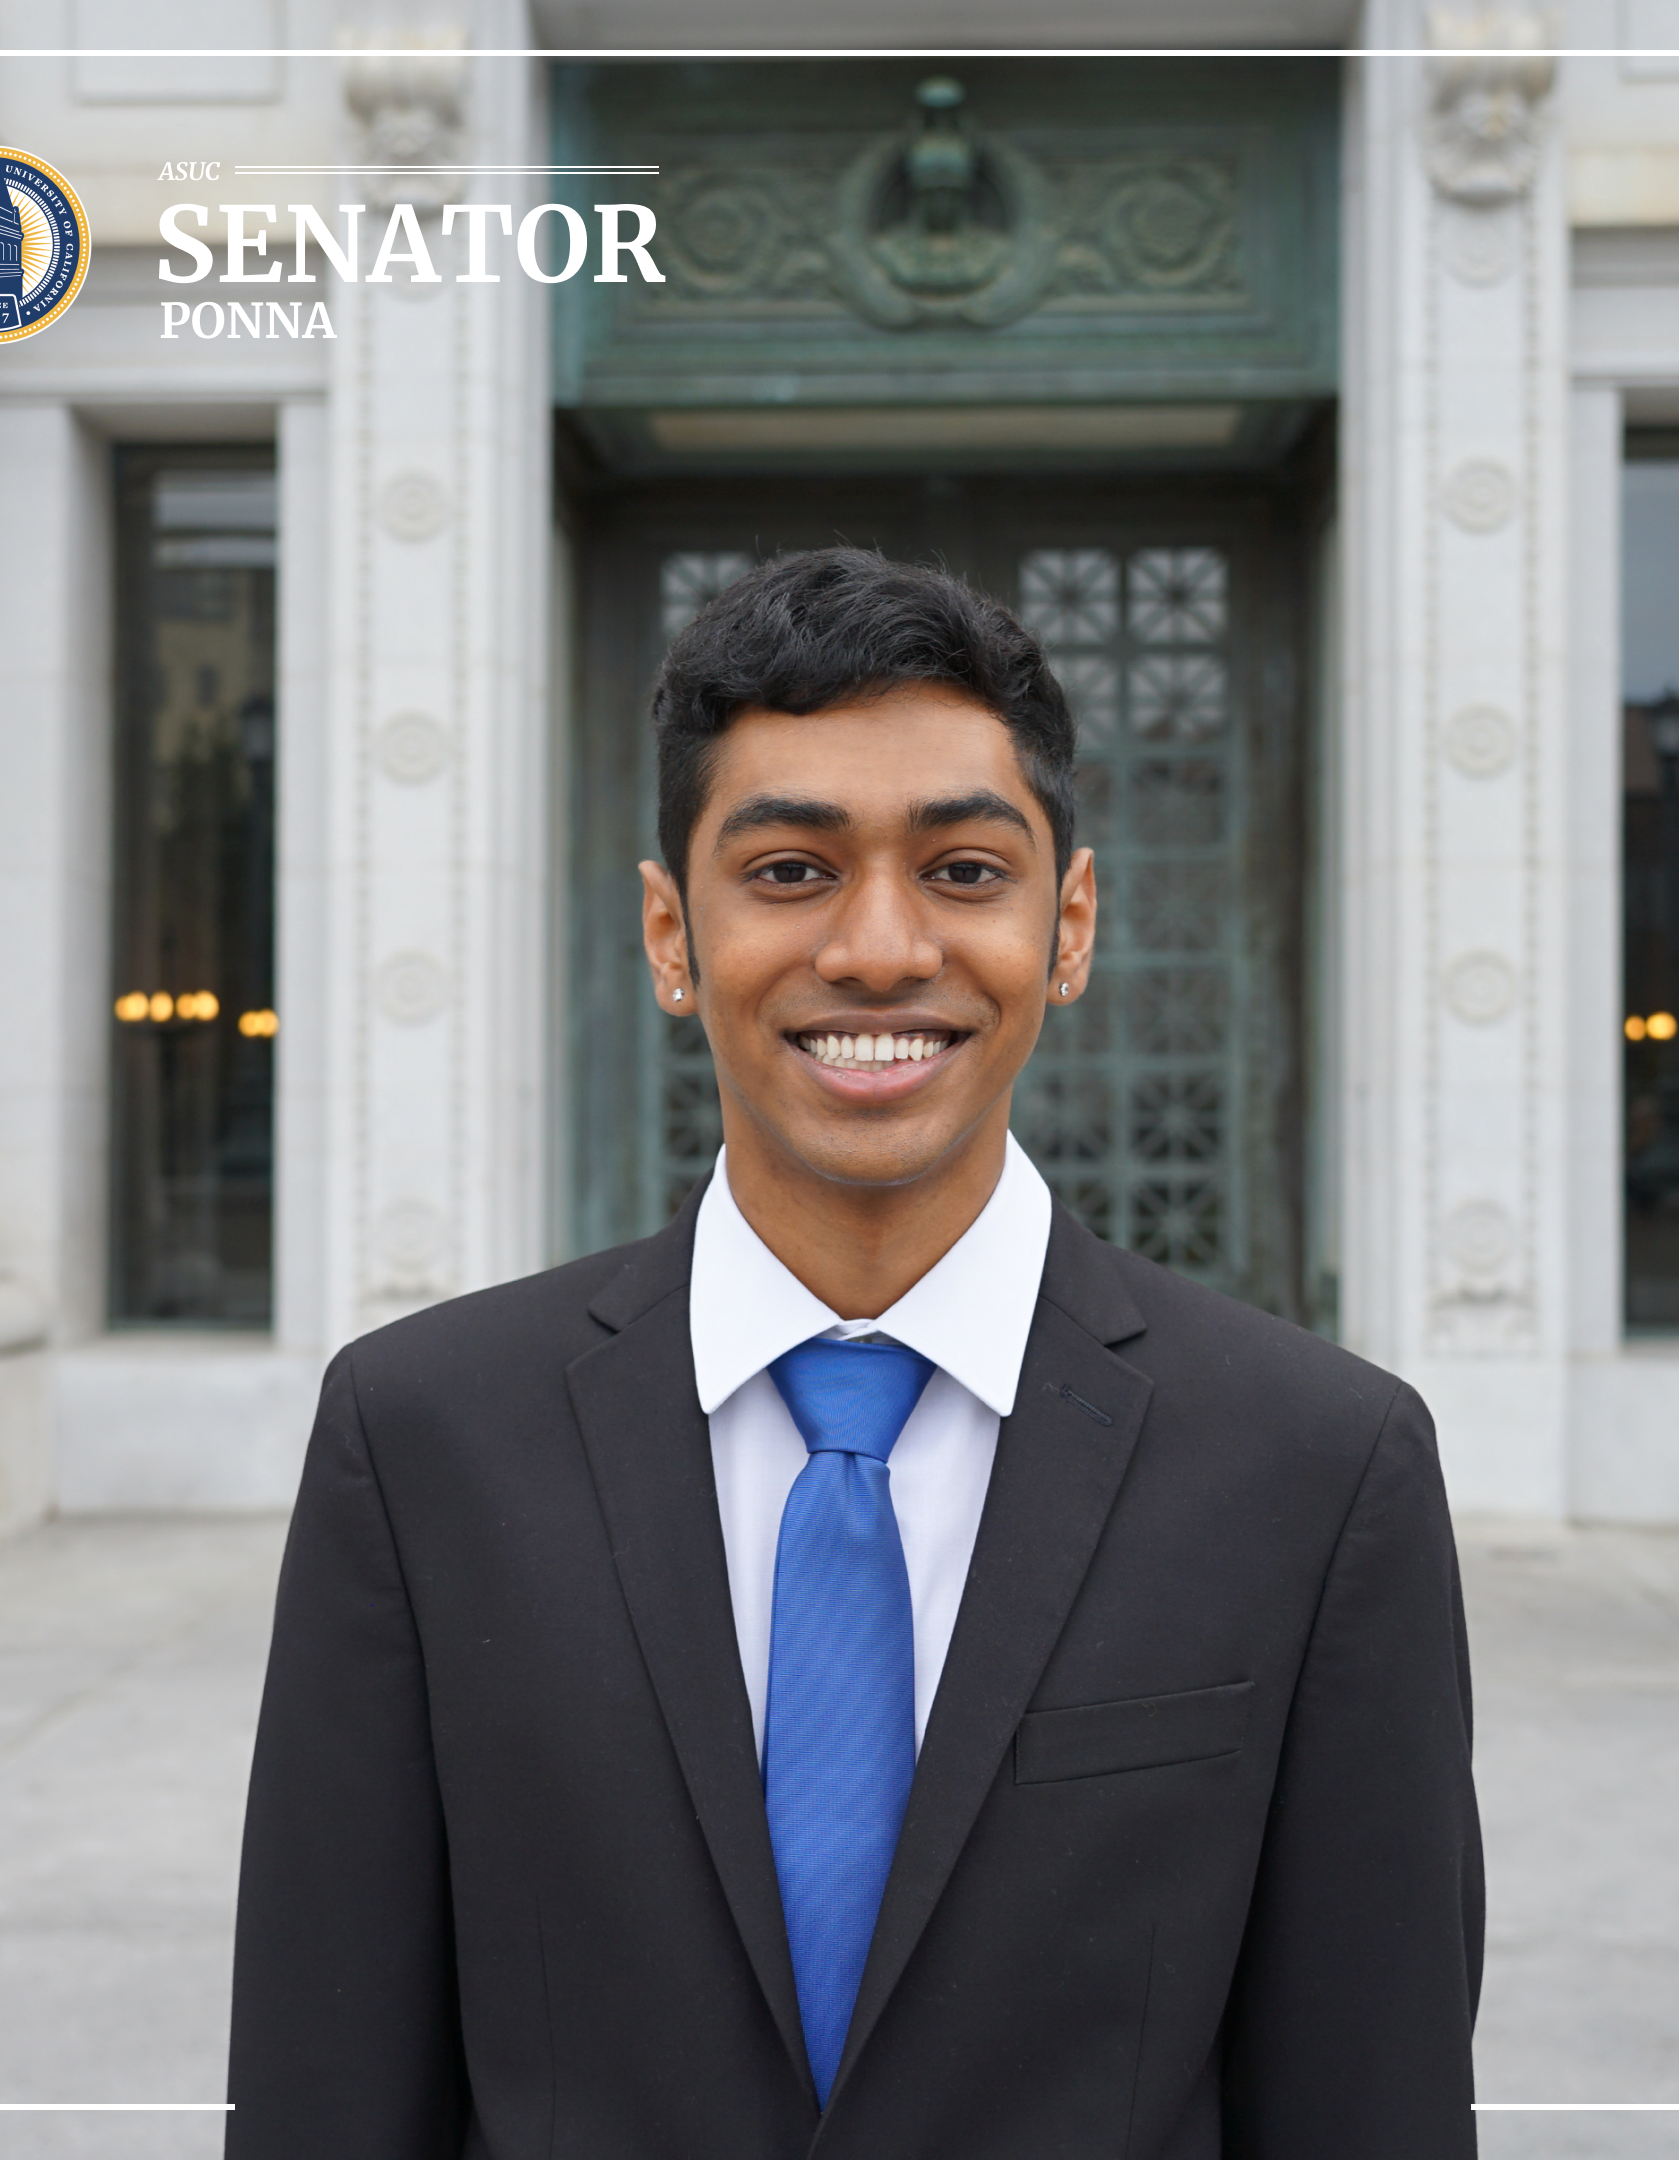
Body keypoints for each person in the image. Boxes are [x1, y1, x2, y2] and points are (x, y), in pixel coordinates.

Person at [225, 549, 1483, 2159]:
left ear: (1070, 924)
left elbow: (1370, 2104)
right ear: (671, 936)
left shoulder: (1321, 1468)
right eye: (792, 872)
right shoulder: (420, 1442)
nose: (883, 949)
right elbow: (327, 2095)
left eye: (964, 871)